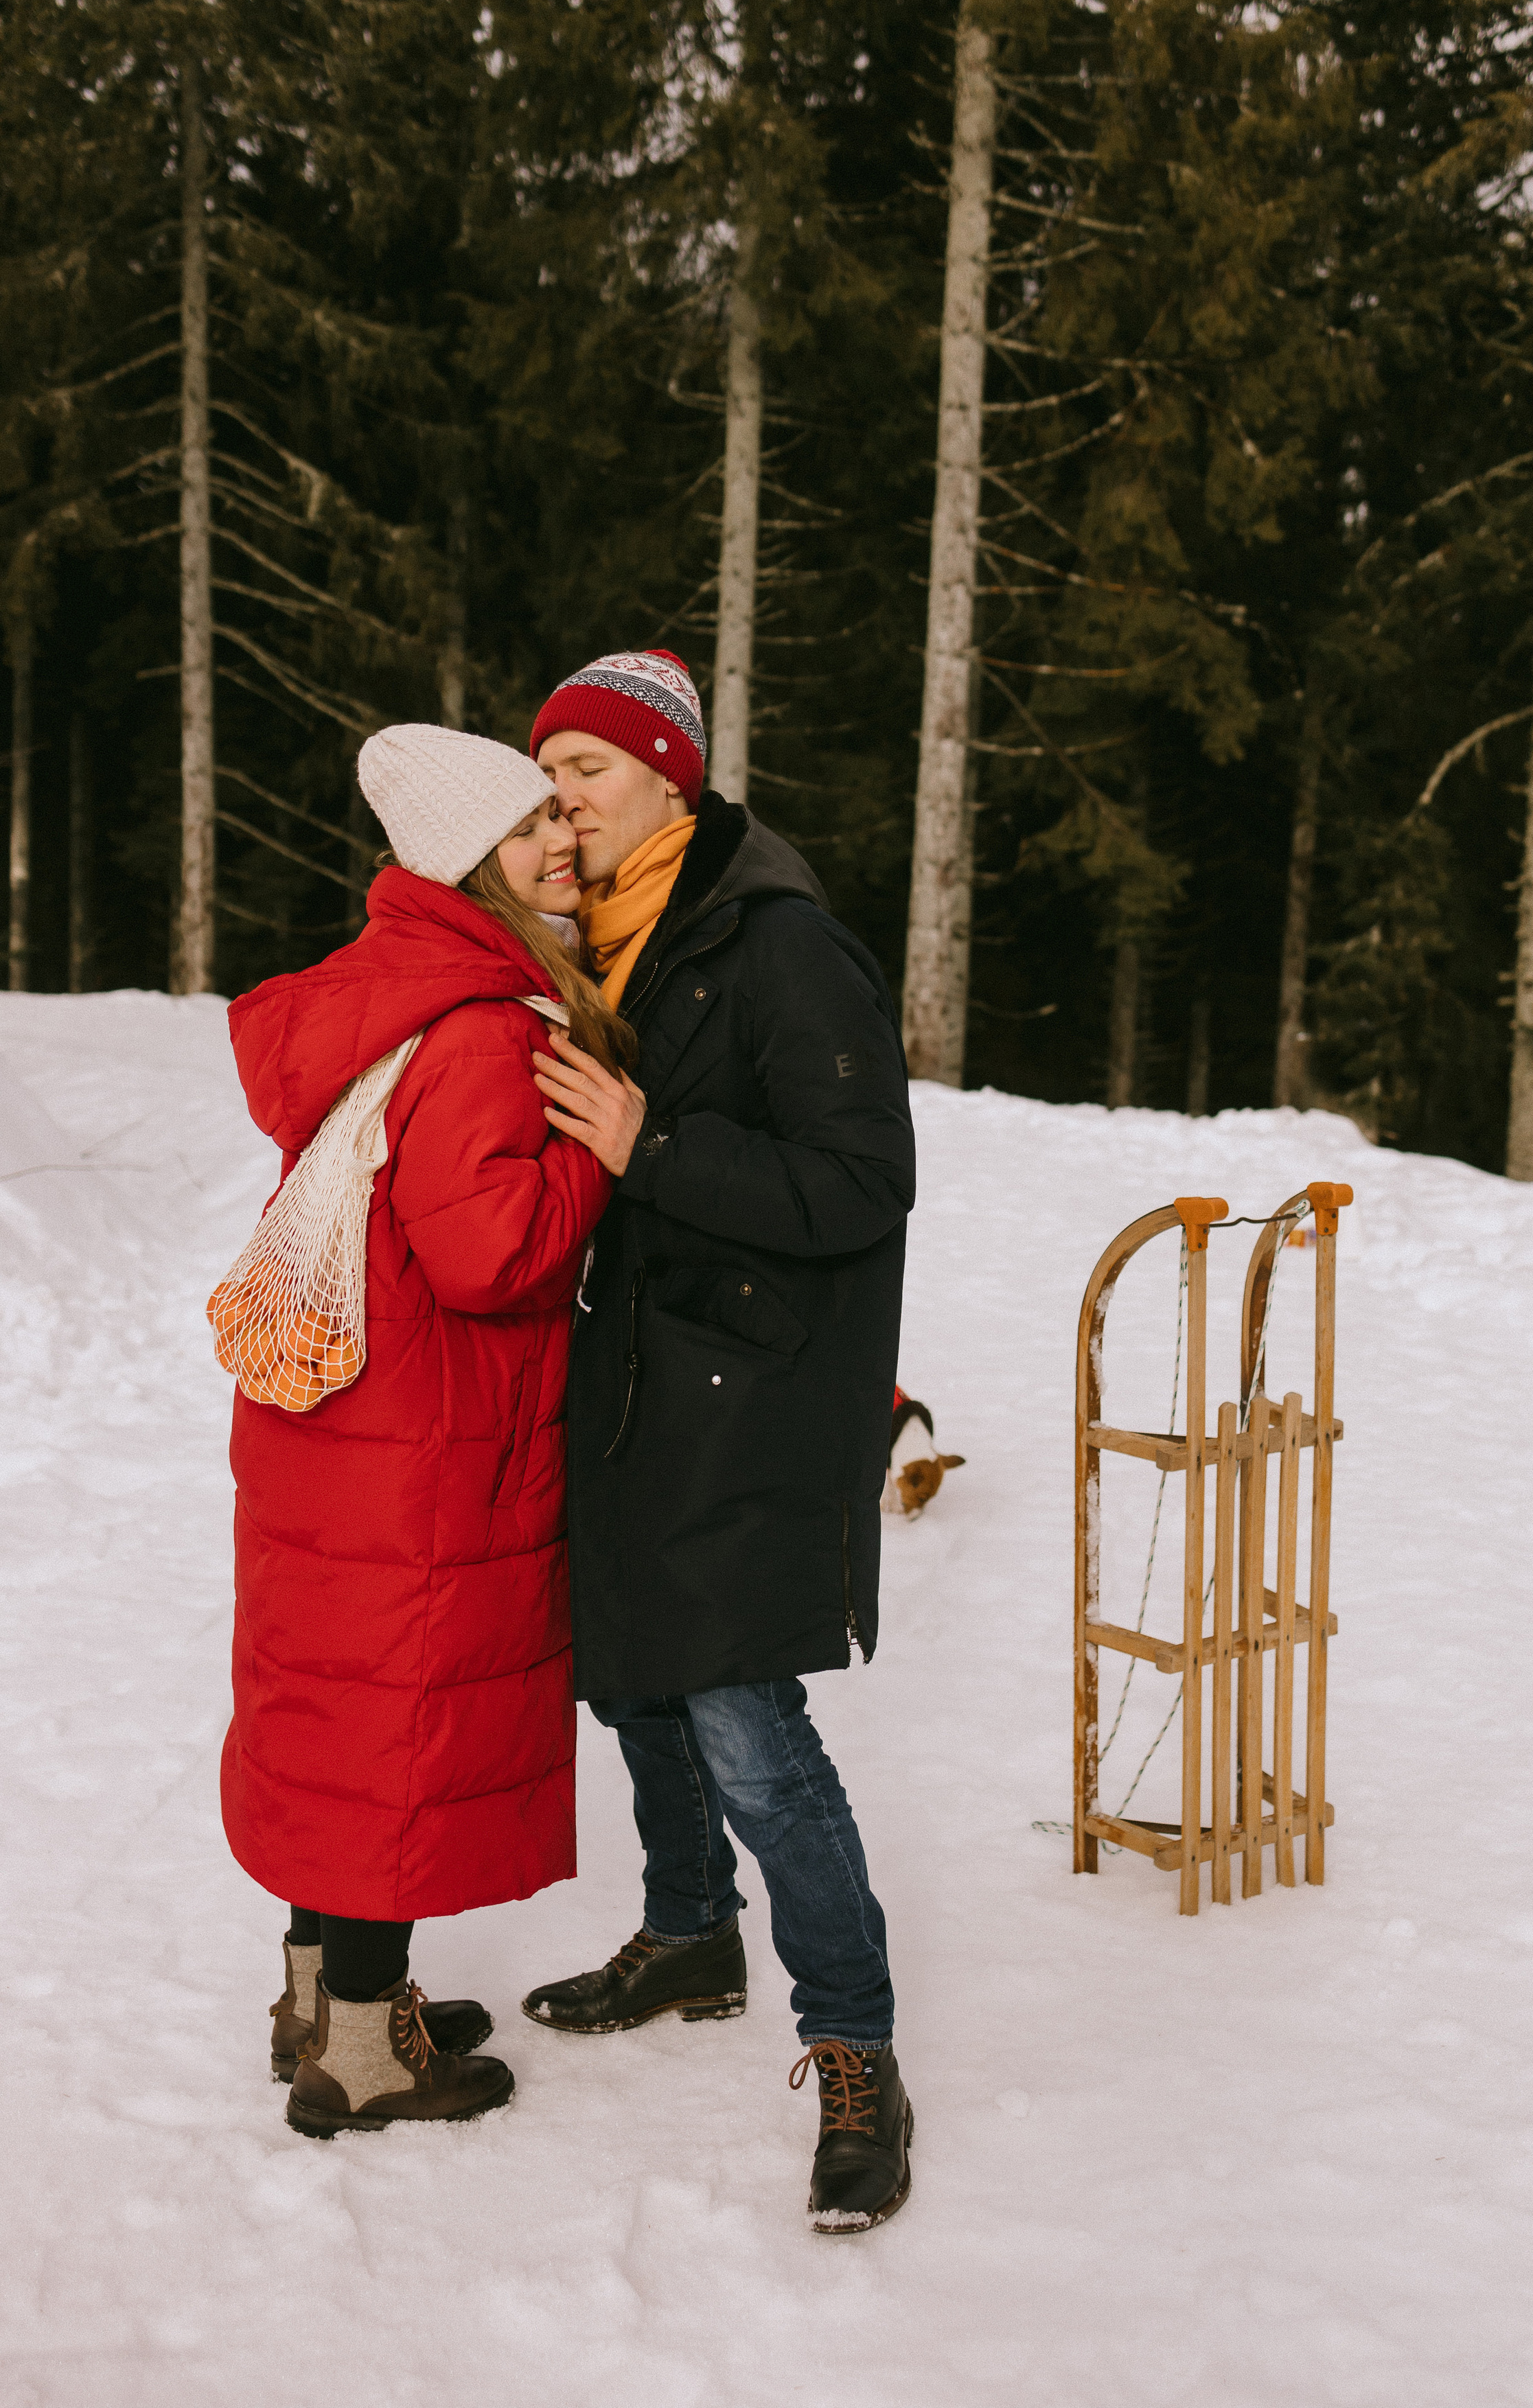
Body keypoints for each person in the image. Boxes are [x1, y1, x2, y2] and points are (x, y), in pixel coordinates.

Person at [515, 649, 919, 2235]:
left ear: (668, 781)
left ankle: (858, 2048)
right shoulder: (609, 943)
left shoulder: (779, 943)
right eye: (544, 775)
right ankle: (689, 1935)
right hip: (633, 1377)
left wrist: (647, 1144)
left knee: (747, 1721)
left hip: (752, 1393)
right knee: (631, 1672)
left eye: (588, 772)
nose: (562, 802)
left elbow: (857, 1183)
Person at [221, 723, 623, 2140]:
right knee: (390, 1734)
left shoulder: (380, 992)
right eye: (527, 837)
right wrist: (595, 1154)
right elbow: (489, 1256)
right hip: (426, 1442)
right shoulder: (481, 1025)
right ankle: (369, 2054)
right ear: (470, 869)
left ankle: (317, 1995)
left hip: (341, 1427)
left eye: (556, 825)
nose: (559, 846)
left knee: (337, 1717)